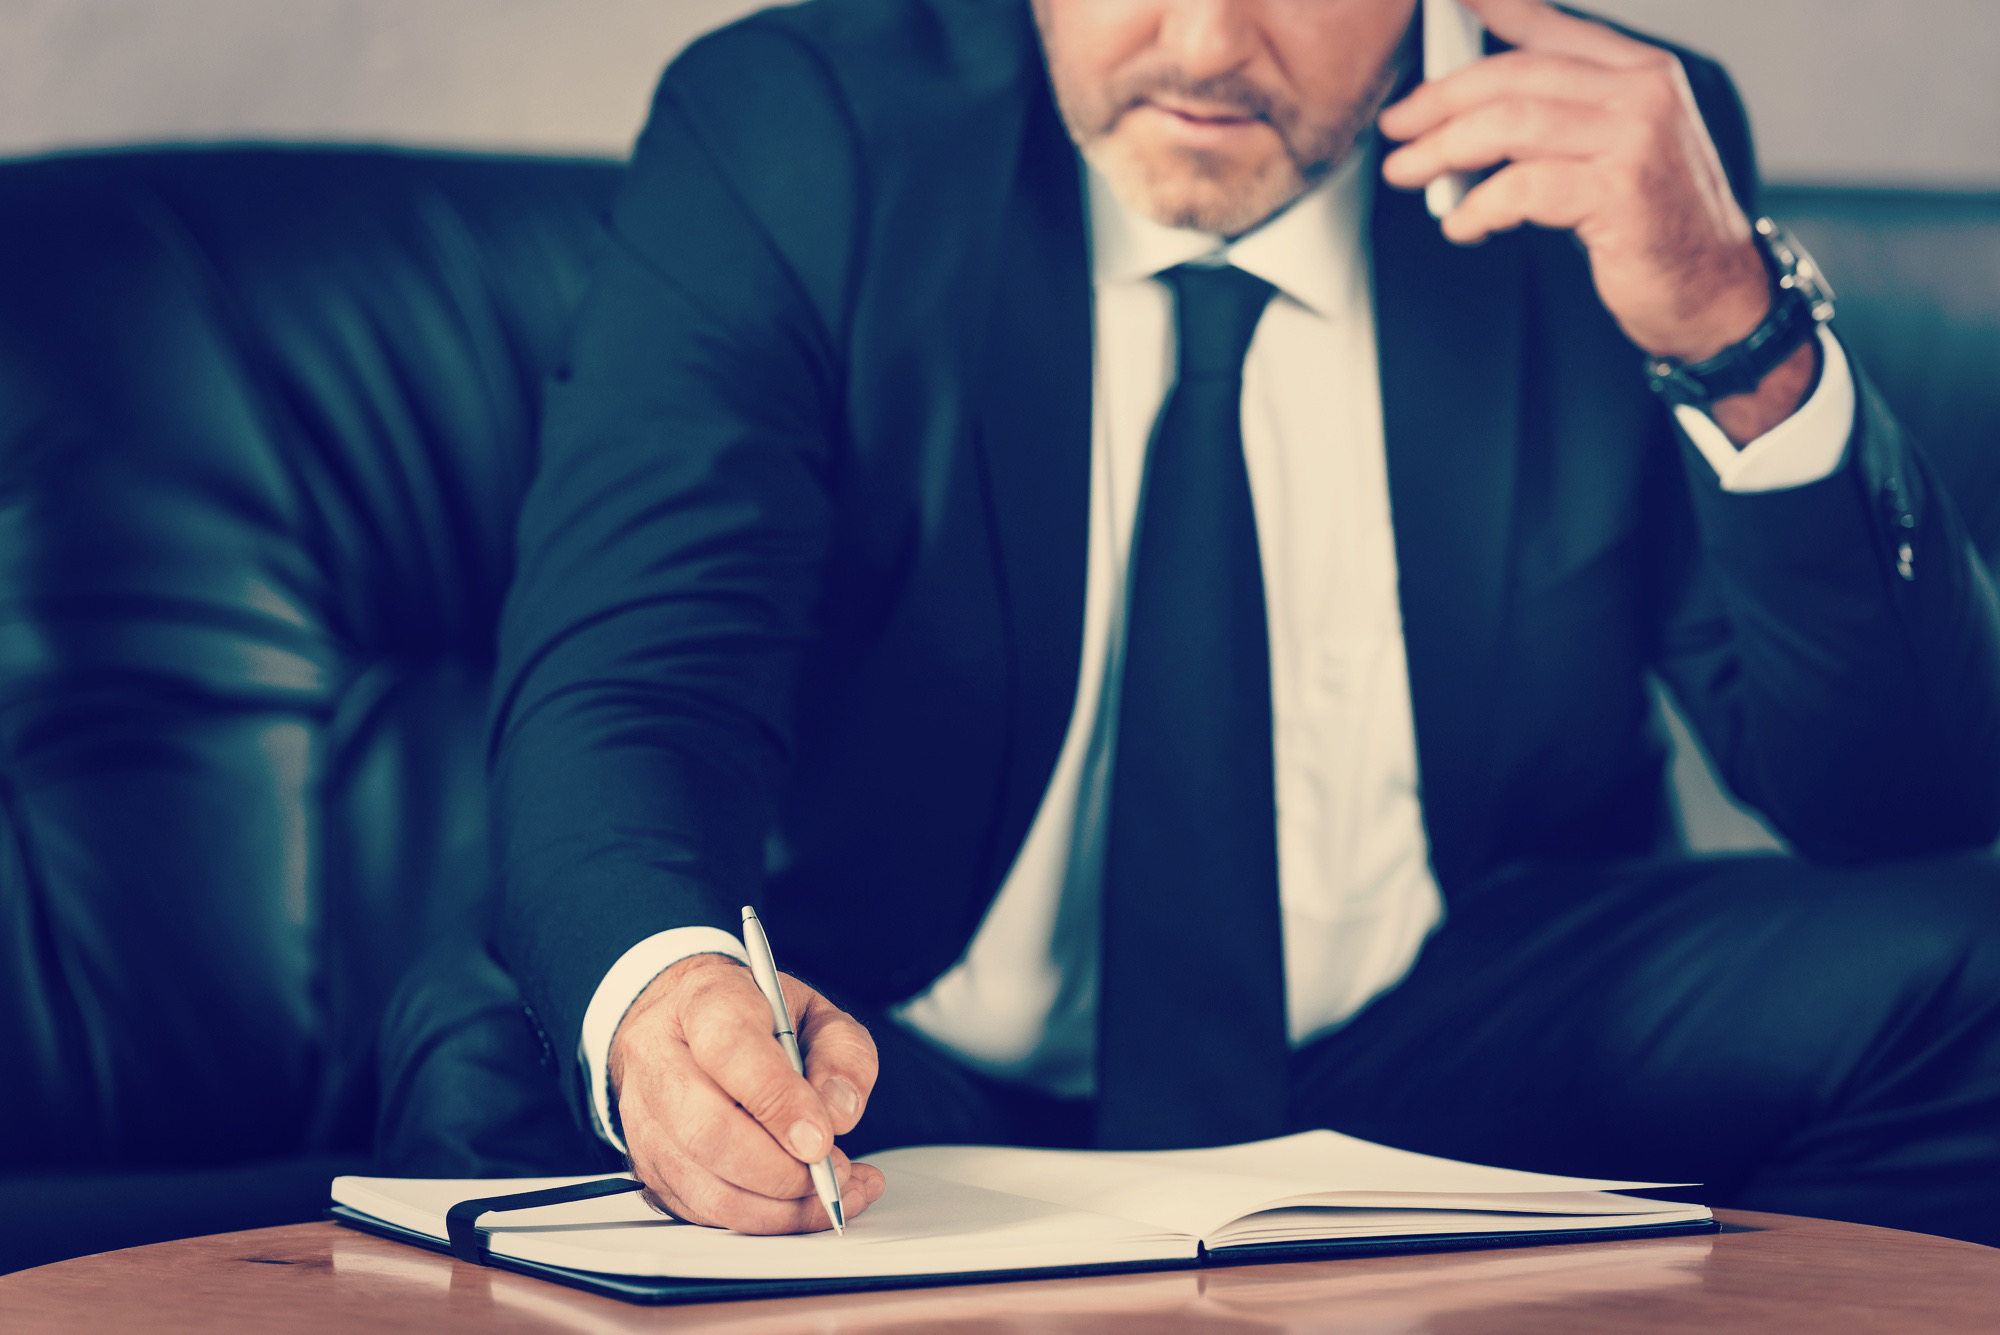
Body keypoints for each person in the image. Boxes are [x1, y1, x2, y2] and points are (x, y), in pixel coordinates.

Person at [381, 0, 2000, 1244]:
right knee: (517, 1047)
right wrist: (675, 998)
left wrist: (1739, 326)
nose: (1211, 39)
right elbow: (640, 675)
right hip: (895, 1064)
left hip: (1448, 1040)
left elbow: (1901, 803)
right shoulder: (801, 129)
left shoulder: (1617, 153)